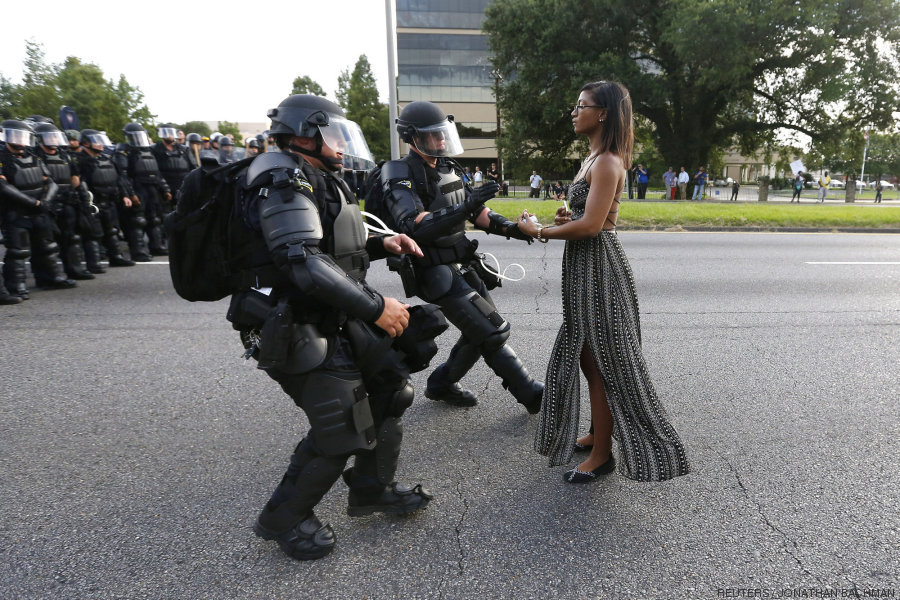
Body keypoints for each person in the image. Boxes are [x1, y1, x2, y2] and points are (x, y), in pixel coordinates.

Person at [228, 94, 434, 562]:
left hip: (329, 313)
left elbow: (331, 245)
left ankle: (371, 488)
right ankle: (283, 518)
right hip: (292, 322)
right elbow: (303, 262)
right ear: (304, 134)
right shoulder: (281, 179)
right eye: (333, 134)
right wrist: (377, 306)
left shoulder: (312, 175)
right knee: (341, 426)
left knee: (390, 389)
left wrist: (383, 243)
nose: (342, 144)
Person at [517, 81, 689, 483]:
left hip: (599, 268)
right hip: (584, 266)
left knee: (603, 362)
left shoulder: (609, 161)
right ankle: (598, 432)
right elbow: (585, 218)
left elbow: (594, 226)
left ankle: (602, 454)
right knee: (586, 355)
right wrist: (565, 220)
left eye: (582, 105)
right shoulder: (592, 158)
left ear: (604, 113)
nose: (574, 112)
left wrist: (538, 230)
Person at [379, 100, 544, 412]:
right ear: (413, 137)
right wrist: (466, 207)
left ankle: (442, 383)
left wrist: (514, 229)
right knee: (492, 330)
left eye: (443, 133)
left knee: (478, 332)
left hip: (462, 263)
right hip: (433, 269)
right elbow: (412, 225)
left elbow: (478, 212)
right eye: (434, 135)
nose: (441, 140)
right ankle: (531, 394)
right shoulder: (399, 171)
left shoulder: (447, 167)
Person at [32, 122, 95, 280]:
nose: (53, 140)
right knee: (46, 243)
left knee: (71, 237)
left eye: (55, 136)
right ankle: (46, 277)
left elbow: (75, 177)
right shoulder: (34, 156)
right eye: (49, 137)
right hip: (47, 203)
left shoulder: (65, 155)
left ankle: (74, 269)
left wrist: (81, 196)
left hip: (67, 201)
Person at [77, 129, 136, 268]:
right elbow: (78, 183)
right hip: (93, 202)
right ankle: (94, 263)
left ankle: (116, 257)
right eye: (96, 141)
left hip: (110, 201)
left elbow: (119, 179)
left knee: (112, 231)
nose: (100, 144)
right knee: (93, 234)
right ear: (86, 143)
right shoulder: (80, 161)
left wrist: (124, 195)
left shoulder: (107, 159)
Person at [115, 123, 171, 258]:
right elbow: (123, 176)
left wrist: (165, 189)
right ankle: (138, 250)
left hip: (152, 188)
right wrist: (131, 193)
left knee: (155, 219)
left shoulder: (149, 151)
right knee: (137, 220)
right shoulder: (124, 152)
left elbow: (157, 173)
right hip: (137, 187)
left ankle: (156, 246)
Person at [151, 124, 192, 201]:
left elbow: (193, 168)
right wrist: (164, 188)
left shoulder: (184, 149)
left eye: (171, 133)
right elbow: (154, 170)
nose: (169, 135)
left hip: (183, 187)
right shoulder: (155, 149)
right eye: (166, 133)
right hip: (164, 188)